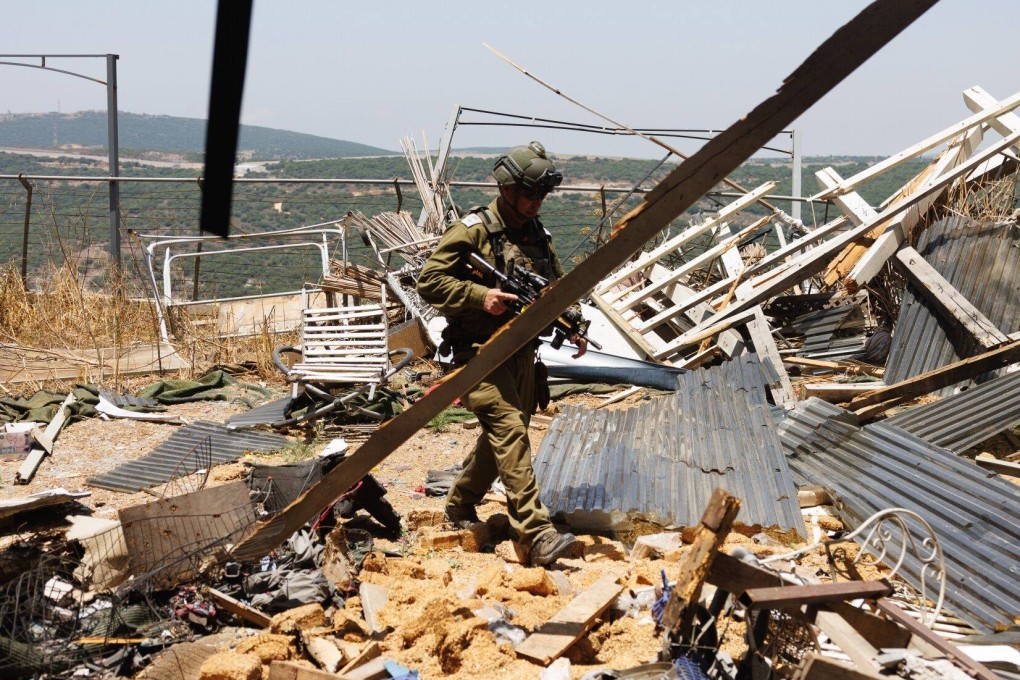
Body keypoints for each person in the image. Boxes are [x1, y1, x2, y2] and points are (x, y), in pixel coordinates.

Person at [416, 141, 586, 567]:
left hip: (522, 352)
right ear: (507, 189)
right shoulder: (473, 231)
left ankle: (459, 504)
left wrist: (574, 324)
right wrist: (481, 296)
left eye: (543, 194)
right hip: (478, 353)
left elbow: (557, 288)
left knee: (504, 437)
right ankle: (535, 533)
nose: (537, 201)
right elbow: (428, 281)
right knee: (510, 431)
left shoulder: (537, 235)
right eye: (531, 193)